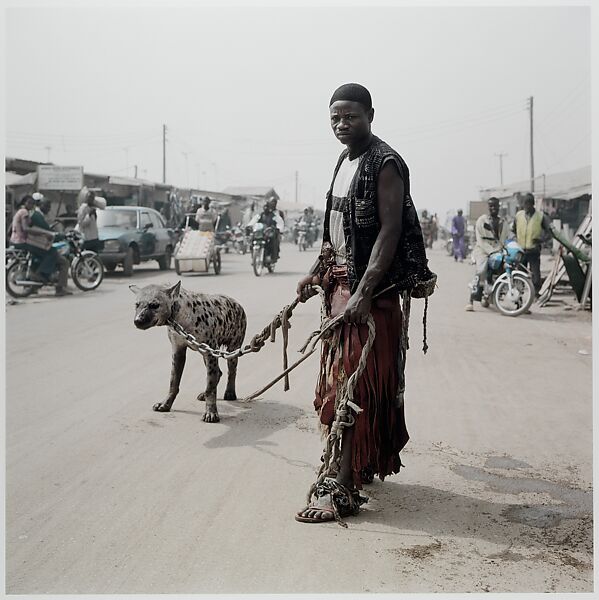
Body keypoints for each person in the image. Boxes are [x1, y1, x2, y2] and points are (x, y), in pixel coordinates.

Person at [295, 83, 434, 524]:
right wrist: (317, 272)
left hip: (368, 298)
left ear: (371, 114)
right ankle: (356, 467)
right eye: (335, 117)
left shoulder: (386, 163)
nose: (342, 124)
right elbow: (336, 229)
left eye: (351, 116)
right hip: (340, 292)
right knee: (343, 382)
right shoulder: (344, 160)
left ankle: (342, 485)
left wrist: (364, 290)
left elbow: (389, 231)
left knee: (352, 388)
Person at [465, 197, 509, 311]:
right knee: (481, 270)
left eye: (495, 206)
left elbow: (503, 238)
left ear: (499, 206)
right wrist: (492, 251)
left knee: (504, 268)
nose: (493, 208)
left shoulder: (503, 222)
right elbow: (480, 240)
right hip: (482, 250)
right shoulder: (481, 220)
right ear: (488, 207)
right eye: (491, 206)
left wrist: (500, 249)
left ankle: (494, 295)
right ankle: (471, 300)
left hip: (497, 249)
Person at [512, 193, 553, 294]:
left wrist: (542, 240)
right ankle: (519, 297)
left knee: (535, 275)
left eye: (529, 204)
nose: (527, 206)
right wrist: (514, 241)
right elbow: (513, 230)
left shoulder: (540, 216)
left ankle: (536, 294)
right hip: (520, 250)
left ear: (533, 204)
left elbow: (550, 232)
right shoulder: (519, 215)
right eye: (525, 204)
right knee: (520, 274)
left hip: (533, 250)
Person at [31, 196, 72, 296]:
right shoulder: (37, 215)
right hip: (39, 244)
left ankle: (34, 287)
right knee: (64, 262)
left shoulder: (36, 214)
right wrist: (60, 235)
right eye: (47, 206)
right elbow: (46, 230)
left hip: (36, 243)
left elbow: (45, 229)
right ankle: (60, 288)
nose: (49, 209)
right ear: (40, 205)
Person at [77, 189, 105, 253]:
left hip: (94, 238)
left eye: (92, 197)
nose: (91, 199)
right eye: (89, 197)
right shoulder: (83, 208)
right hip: (87, 239)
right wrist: (89, 215)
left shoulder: (92, 207)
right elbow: (81, 223)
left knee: (94, 257)